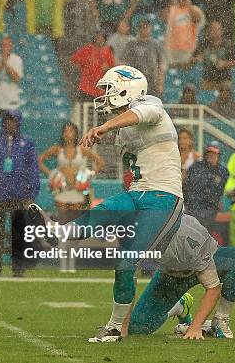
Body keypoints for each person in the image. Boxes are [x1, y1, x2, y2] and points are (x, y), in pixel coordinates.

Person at [47, 65, 184, 342]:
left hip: (163, 198)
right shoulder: (123, 130)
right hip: (136, 193)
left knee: (126, 263)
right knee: (100, 214)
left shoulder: (150, 104)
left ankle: (114, 326)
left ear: (127, 88)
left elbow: (143, 114)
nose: (105, 96)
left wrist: (104, 127)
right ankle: (59, 232)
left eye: (109, 89)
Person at [125, 214, 235, 340]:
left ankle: (220, 320)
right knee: (137, 328)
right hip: (169, 275)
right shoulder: (137, 236)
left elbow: (213, 289)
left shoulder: (189, 238)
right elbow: (128, 279)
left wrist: (195, 327)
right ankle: (179, 306)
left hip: (203, 264)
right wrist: (120, 325)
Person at [0, 110, 40, 277]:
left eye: (13, 121)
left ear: (18, 122)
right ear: (3, 122)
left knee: (19, 230)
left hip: (19, 194)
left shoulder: (27, 143)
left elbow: (33, 169)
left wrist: (31, 194)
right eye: (7, 121)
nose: (10, 124)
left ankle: (18, 267)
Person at [38, 121, 104, 272]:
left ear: (76, 133)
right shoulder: (57, 149)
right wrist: (53, 175)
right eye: (66, 131)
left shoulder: (81, 150)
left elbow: (100, 162)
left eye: (71, 131)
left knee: (74, 227)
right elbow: (40, 161)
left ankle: (72, 263)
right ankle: (63, 265)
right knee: (62, 225)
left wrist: (87, 175)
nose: (68, 133)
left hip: (77, 192)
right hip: (62, 192)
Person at [183, 142, 229, 232]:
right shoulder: (196, 167)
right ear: (206, 154)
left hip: (211, 211)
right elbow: (187, 188)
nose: (212, 156)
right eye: (210, 153)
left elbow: (223, 191)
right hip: (194, 209)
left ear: (219, 155)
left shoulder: (223, 171)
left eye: (215, 153)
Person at [120, 20, 166, 97]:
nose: (143, 30)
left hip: (152, 82)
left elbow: (161, 65)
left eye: (145, 27)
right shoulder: (131, 45)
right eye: (141, 28)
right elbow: (123, 64)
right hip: (134, 82)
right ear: (138, 29)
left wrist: (160, 84)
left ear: (150, 29)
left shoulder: (156, 45)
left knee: (150, 105)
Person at [70, 31, 115, 102]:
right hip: (87, 88)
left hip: (101, 90)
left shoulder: (107, 51)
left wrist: (107, 68)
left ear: (104, 38)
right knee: (86, 110)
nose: (99, 39)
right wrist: (83, 68)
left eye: (101, 37)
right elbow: (73, 61)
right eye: (97, 37)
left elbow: (112, 68)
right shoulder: (87, 50)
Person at [162, 0, 205, 67]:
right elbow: (163, 18)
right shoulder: (172, 9)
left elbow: (197, 18)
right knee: (173, 70)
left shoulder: (194, 9)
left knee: (185, 69)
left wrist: (188, 4)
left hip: (188, 49)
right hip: (172, 49)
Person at [194, 21, 235, 90]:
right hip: (208, 80)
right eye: (213, 30)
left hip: (224, 80)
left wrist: (225, 64)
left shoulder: (228, 44)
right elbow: (196, 57)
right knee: (204, 97)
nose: (215, 32)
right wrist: (198, 59)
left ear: (222, 31)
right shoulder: (204, 44)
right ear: (209, 31)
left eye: (218, 29)